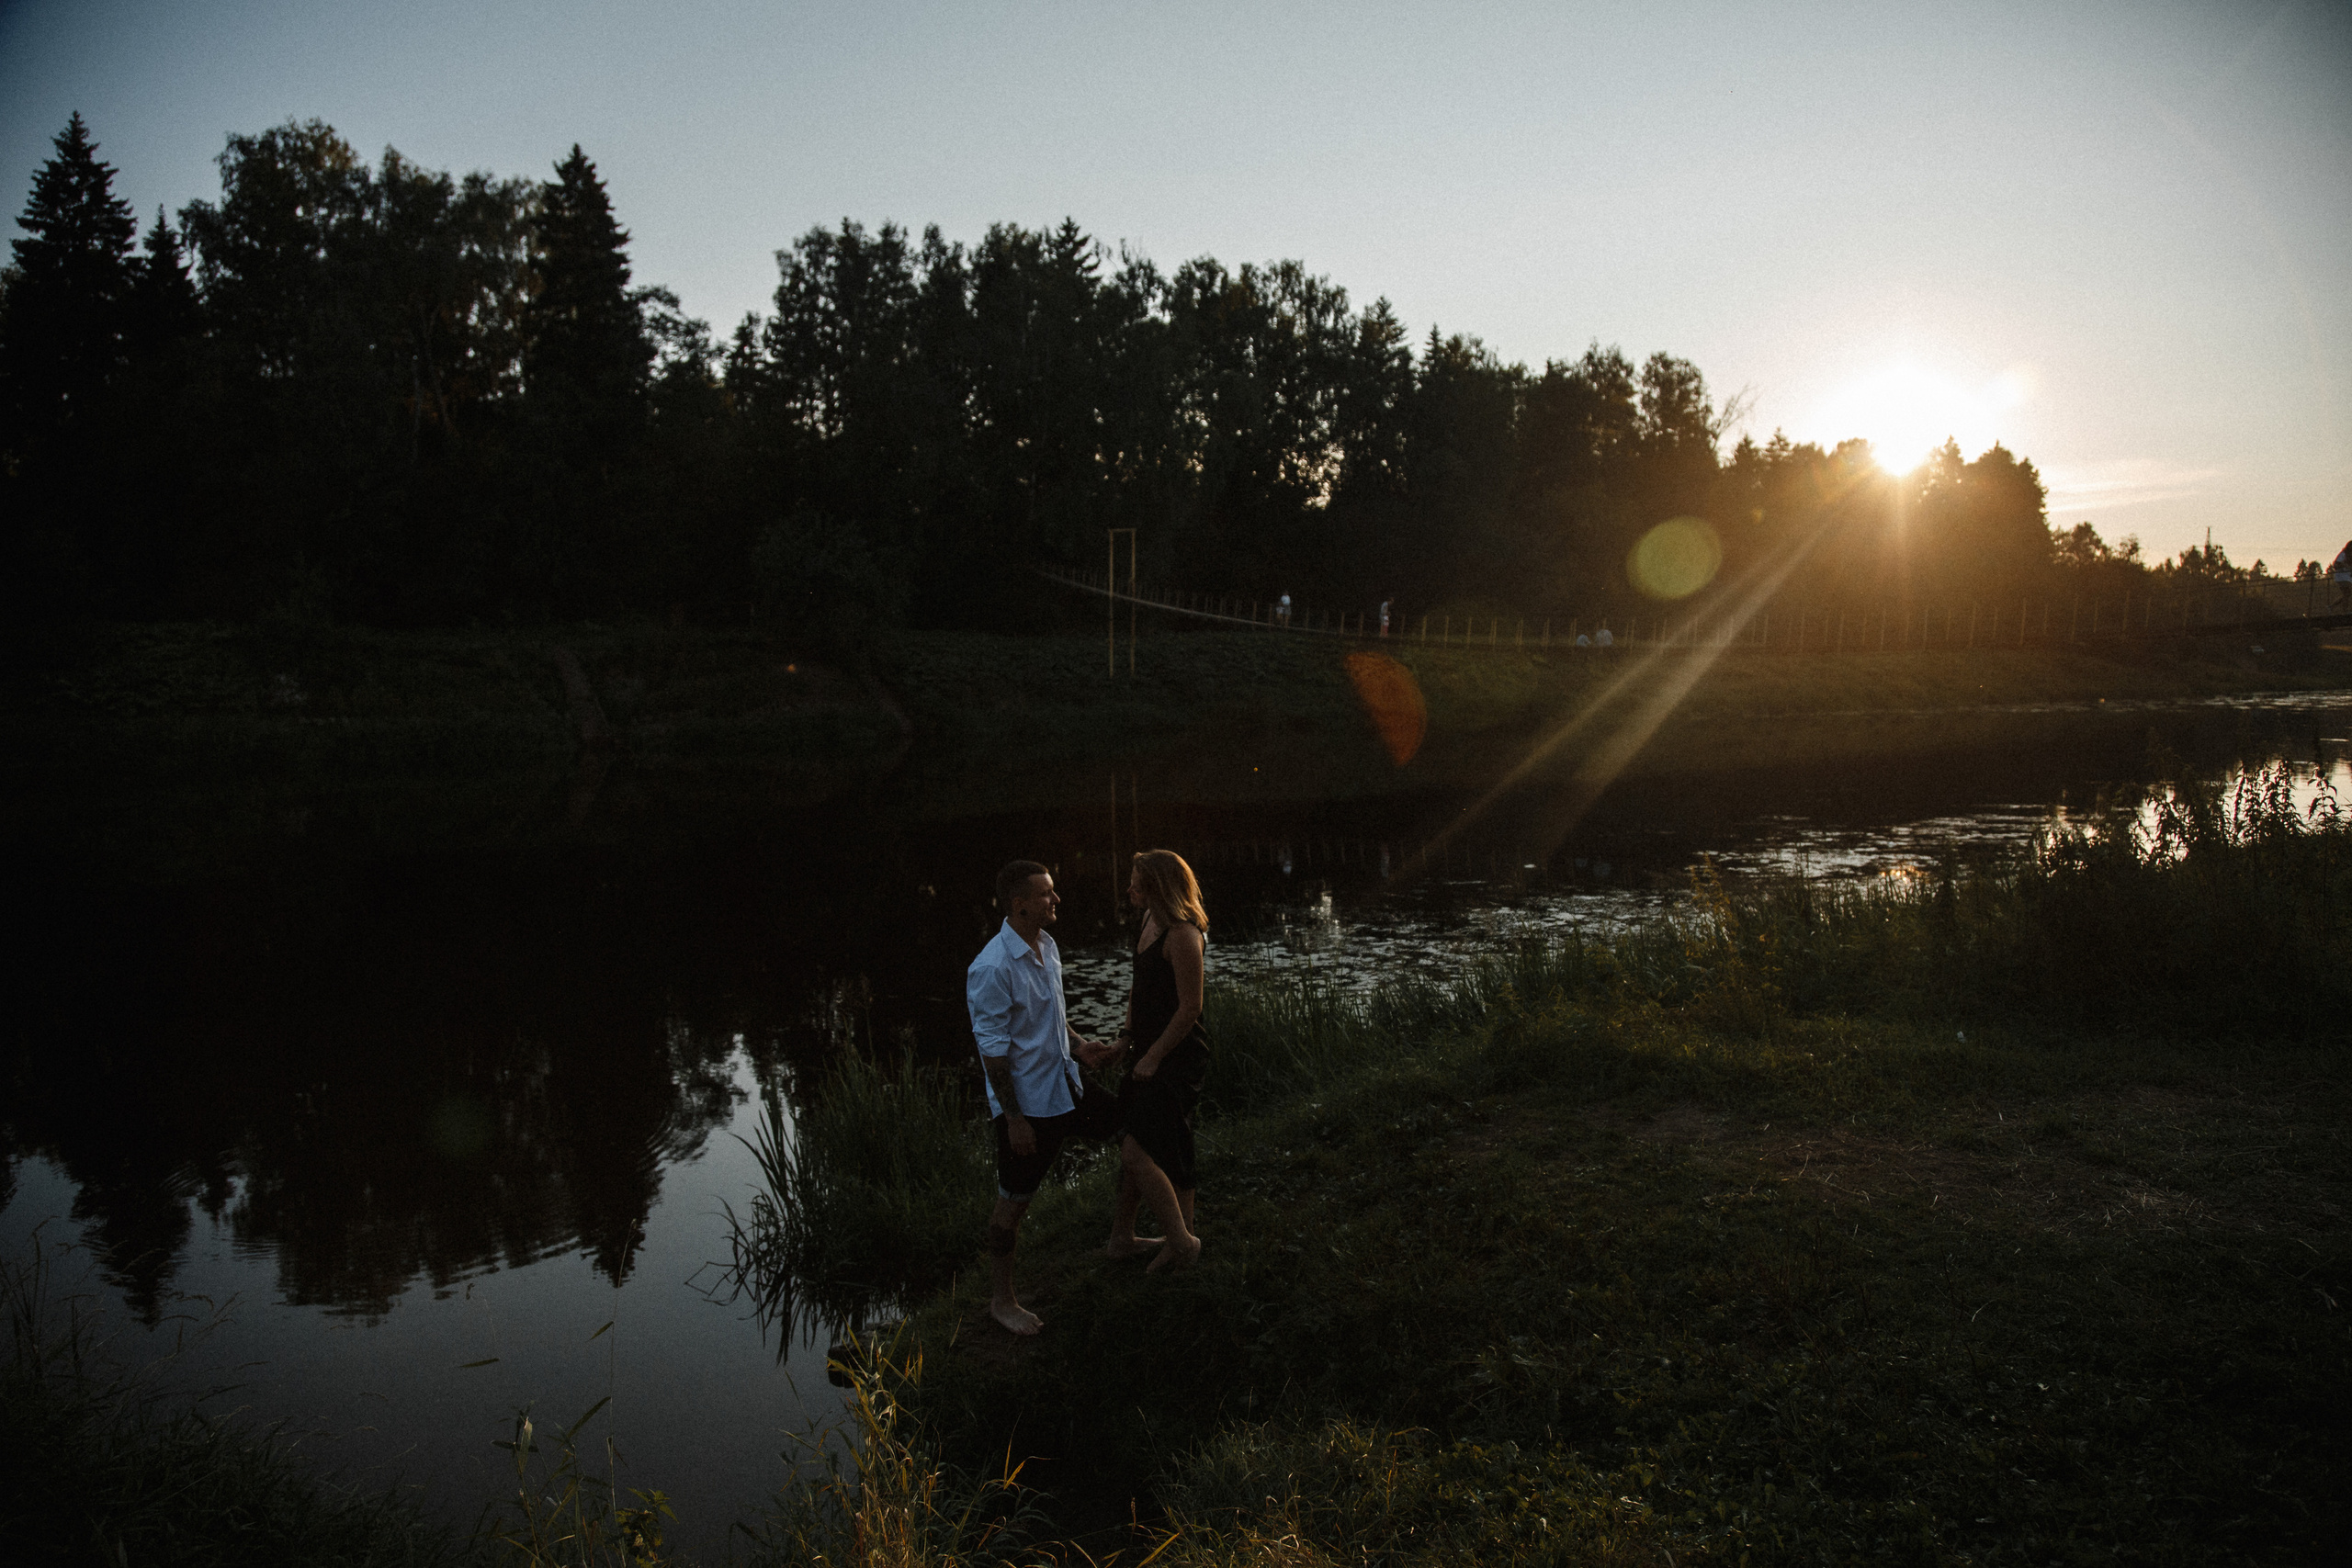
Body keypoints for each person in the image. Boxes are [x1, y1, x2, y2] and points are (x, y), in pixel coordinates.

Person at [967, 860, 1119, 1335]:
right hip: (1029, 1106)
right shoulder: (991, 967)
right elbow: (993, 1055)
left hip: (1068, 1084)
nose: (1056, 900)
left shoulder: (1046, 944)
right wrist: (1013, 1119)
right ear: (1020, 905)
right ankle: (1002, 1301)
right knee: (1013, 1203)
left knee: (1133, 1133)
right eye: (1047, 894)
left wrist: (1078, 1044)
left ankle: (1124, 1237)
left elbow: (1049, 1016)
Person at [1101, 850, 1211, 1273]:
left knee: (1137, 1150)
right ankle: (1122, 1238)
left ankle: (1183, 1242)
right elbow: (1138, 988)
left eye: (1137, 884)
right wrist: (1127, 1039)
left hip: (1177, 1055)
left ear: (1159, 888)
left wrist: (1152, 1056)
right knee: (1149, 1139)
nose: (1129, 889)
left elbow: (1190, 1009)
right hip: (1147, 1049)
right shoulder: (1148, 921)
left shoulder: (1183, 934)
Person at [2331, 541, 2352, 610]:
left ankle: (2331, 606)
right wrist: (2346, 566)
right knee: (2347, 593)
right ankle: (2344, 610)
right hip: (2341, 576)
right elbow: (2336, 564)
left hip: (2347, 577)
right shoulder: (2343, 554)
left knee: (2347, 594)